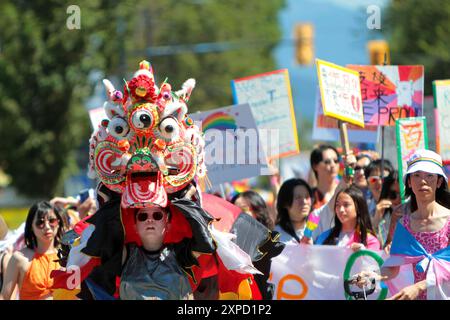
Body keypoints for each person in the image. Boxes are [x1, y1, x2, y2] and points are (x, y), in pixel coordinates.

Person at [354, 149, 450, 300]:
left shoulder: (449, 220)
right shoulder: (405, 224)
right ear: (409, 182)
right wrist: (373, 275)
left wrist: (419, 286)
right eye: (416, 175)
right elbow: (393, 267)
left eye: (429, 175)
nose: (422, 181)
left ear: (439, 182)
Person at [119, 206, 193, 300]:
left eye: (157, 215)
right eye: (143, 216)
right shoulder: (126, 254)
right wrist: (111, 201)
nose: (150, 220)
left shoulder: (180, 252)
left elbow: (204, 243)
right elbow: (103, 243)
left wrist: (185, 201)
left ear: (167, 225)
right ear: (135, 226)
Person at [0, 201, 63, 300]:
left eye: (52, 221)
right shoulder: (19, 258)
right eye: (40, 222)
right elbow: (4, 296)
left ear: (58, 223)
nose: (47, 227)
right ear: (31, 227)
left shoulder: (68, 256)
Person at [315, 185, 381, 251]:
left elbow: (373, 260)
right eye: (337, 205)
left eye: (346, 205)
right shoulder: (324, 237)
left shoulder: (370, 241)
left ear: (358, 208)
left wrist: (364, 254)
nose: (341, 210)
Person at [274, 178, 313, 243]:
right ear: (285, 204)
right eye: (298, 197)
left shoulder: (315, 229)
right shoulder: (276, 236)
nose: (304, 201)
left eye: (307, 197)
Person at [371, 171, 402, 247]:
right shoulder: (383, 216)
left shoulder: (416, 216)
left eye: (402, 194)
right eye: (393, 194)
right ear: (386, 194)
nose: (398, 199)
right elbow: (375, 244)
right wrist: (377, 219)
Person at [309, 145, 340, 210]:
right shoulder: (310, 197)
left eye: (336, 161)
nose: (333, 165)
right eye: (327, 162)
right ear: (315, 166)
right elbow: (312, 219)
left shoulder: (345, 191)